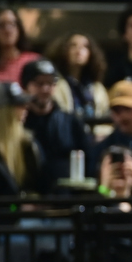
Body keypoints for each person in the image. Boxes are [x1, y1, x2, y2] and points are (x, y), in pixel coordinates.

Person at [19, 59, 91, 188]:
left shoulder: (70, 121)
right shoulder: (20, 123)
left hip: (65, 191)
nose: (45, 89)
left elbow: (88, 159)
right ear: (25, 86)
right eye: (39, 84)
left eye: (50, 83)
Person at [46, 32, 110, 122]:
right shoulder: (55, 85)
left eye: (85, 46)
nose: (79, 50)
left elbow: (105, 117)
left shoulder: (97, 88)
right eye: (73, 46)